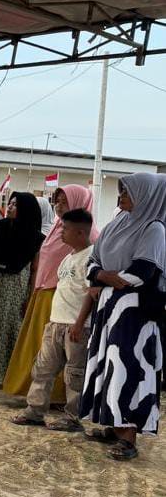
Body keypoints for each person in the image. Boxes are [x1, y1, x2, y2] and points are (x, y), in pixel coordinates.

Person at [79, 173, 165, 460]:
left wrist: (105, 278)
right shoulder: (117, 223)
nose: (121, 197)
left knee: (129, 369)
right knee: (107, 366)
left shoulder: (154, 229)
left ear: (146, 195)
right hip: (109, 307)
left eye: (126, 191)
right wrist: (103, 276)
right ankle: (112, 424)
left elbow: (143, 272)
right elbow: (92, 263)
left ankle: (128, 438)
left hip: (135, 314)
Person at [2, 185, 97, 397]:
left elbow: (90, 283)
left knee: (69, 358)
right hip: (47, 298)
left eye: (64, 201)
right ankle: (35, 398)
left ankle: (61, 399)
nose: (59, 206)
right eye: (57, 201)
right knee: (44, 354)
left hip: (68, 304)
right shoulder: (58, 229)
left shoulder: (89, 236)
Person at [11, 209, 95, 430]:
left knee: (75, 374)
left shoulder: (91, 257)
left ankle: (73, 417)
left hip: (76, 326)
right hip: (56, 323)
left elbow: (90, 294)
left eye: (65, 229)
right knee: (43, 369)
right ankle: (35, 411)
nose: (61, 233)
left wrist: (79, 324)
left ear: (80, 232)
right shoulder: (68, 257)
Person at [0, 192, 45, 385]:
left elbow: (35, 269)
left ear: (26, 209)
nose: (10, 207)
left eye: (15, 204)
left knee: (9, 327)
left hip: (15, 284)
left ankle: (8, 374)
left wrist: (30, 296)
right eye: (10, 203)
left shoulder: (35, 237)